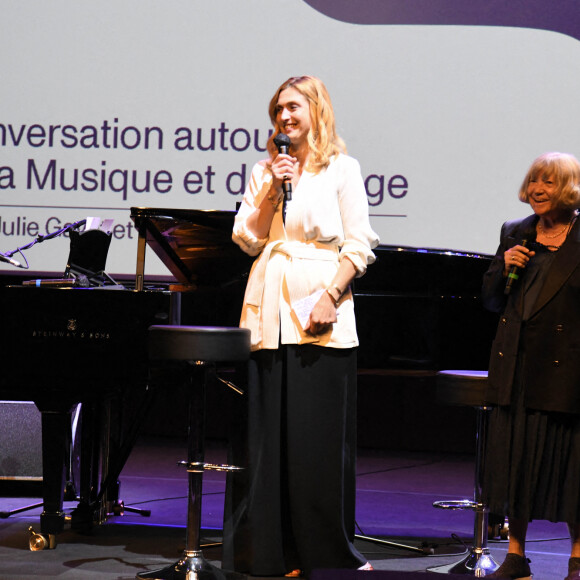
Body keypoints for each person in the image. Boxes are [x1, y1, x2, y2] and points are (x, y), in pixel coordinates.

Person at [221, 75, 379, 578]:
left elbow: (359, 245)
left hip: (320, 306)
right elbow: (245, 238)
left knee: (313, 440)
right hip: (269, 306)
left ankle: (324, 553)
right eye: (278, 110)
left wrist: (331, 296)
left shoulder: (343, 169)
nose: (284, 117)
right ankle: (271, 553)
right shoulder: (264, 170)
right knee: (267, 438)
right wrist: (272, 185)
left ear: (316, 109)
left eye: (293, 107)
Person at [481, 152, 580, 580]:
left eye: (550, 182)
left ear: (570, 189)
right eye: (535, 180)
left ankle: (578, 557)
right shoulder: (515, 232)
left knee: (569, 468)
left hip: (566, 369)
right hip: (517, 366)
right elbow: (490, 299)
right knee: (515, 463)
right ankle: (516, 556)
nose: (538, 188)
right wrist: (504, 267)